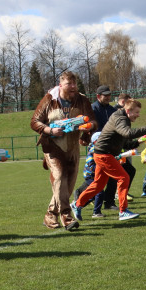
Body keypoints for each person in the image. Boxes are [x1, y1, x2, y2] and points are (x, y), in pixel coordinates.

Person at [73, 98, 146, 221]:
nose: (138, 115)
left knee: (98, 185)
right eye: (136, 112)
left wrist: (139, 141)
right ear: (128, 110)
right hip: (104, 154)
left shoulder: (123, 118)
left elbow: (125, 143)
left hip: (102, 154)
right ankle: (123, 211)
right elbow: (128, 133)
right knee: (123, 177)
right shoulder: (121, 118)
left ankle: (77, 204)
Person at [30, 71, 94, 230]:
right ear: (61, 85)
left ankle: (50, 214)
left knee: (69, 183)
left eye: (74, 84)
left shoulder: (82, 100)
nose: (73, 87)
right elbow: (34, 122)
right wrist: (49, 131)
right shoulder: (49, 100)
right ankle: (67, 217)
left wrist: (88, 127)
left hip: (72, 146)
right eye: (69, 84)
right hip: (52, 146)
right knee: (59, 177)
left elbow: (93, 121)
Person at [93, 91, 137, 216]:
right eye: (105, 95)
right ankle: (120, 209)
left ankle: (80, 204)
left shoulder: (112, 110)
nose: (108, 97)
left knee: (102, 181)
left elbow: (122, 134)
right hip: (100, 147)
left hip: (113, 148)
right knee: (120, 176)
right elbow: (124, 132)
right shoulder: (95, 108)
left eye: (109, 95)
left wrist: (134, 142)